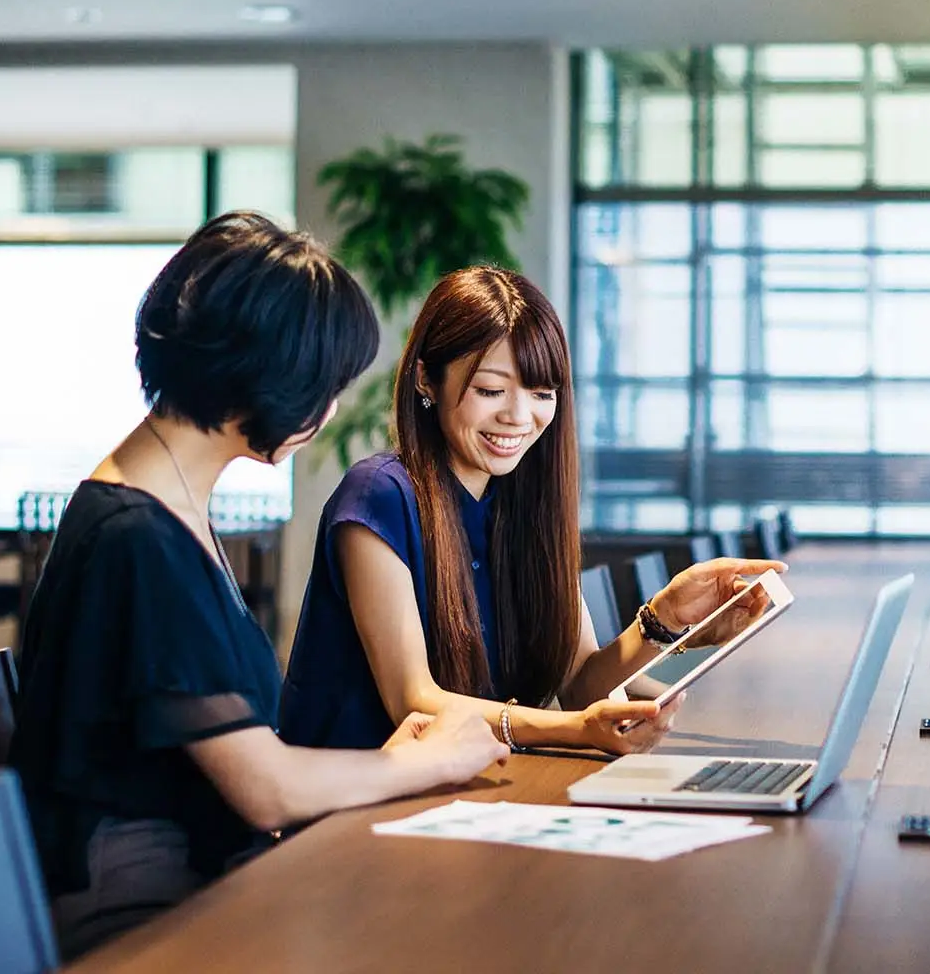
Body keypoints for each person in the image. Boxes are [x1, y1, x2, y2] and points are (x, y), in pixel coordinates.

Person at [10, 214, 507, 959]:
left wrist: (390, 763)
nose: (332, 409)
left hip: (204, 870)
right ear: (271, 376)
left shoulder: (162, 504)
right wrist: (431, 760)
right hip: (143, 912)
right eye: (328, 385)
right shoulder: (137, 538)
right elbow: (264, 789)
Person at [280, 265, 784, 754]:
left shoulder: (524, 504)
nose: (519, 417)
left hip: (464, 793)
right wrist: (575, 730)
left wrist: (664, 620)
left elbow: (581, 685)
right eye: (490, 390)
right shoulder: (378, 495)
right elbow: (415, 703)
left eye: (542, 393)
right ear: (425, 382)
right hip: (352, 811)